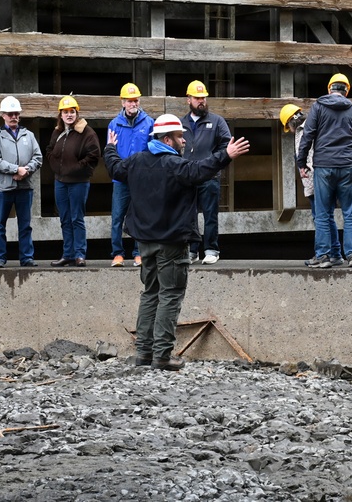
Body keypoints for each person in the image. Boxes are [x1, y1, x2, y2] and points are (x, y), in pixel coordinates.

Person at [104, 114, 250, 371]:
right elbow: (201, 170)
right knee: (170, 295)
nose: (184, 140)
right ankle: (162, 355)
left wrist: (110, 148)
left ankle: (144, 353)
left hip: (145, 242)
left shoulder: (137, 161)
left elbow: (116, 168)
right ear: (168, 139)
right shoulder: (175, 165)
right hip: (172, 242)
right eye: (180, 136)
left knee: (150, 293)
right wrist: (226, 154)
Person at [296, 73, 352, 268]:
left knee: (324, 212)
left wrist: (302, 162)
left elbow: (307, 137)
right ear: (347, 90)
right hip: (347, 166)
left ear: (329, 89)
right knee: (349, 212)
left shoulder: (318, 107)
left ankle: (323, 256)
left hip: (324, 167)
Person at [279, 103, 343, 265]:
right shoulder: (312, 126)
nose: (289, 130)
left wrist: (313, 183)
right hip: (321, 179)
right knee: (327, 217)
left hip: (317, 180)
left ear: (291, 121)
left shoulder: (304, 130)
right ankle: (335, 254)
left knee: (320, 218)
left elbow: (310, 157)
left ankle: (322, 254)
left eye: (287, 126)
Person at [181, 80, 232, 265]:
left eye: (203, 98)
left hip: (209, 176)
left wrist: (213, 161)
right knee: (189, 215)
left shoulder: (217, 121)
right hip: (188, 176)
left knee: (210, 214)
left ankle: (211, 249)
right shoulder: (182, 123)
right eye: (197, 98)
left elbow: (227, 145)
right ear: (189, 100)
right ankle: (192, 251)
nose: (201, 101)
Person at [46, 95, 101, 267]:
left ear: (77, 113)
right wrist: (56, 166)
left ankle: (79, 254)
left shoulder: (87, 133)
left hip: (78, 182)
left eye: (72, 112)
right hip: (60, 182)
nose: (69, 115)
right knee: (65, 218)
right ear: (60, 114)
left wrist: (76, 168)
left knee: (77, 218)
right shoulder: (57, 132)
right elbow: (49, 150)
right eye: (65, 112)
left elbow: (93, 155)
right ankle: (68, 254)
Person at [0, 95, 42, 268]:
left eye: (16, 114)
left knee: (25, 225)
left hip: (25, 187)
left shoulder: (29, 135)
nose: (14, 117)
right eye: (10, 114)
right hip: (4, 188)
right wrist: (15, 170)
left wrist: (26, 171)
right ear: (3, 115)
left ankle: (27, 257)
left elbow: (38, 157)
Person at [107, 83, 154, 267]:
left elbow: (153, 152)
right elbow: (110, 152)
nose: (133, 104)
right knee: (117, 216)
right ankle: (117, 254)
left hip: (141, 179)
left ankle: (138, 253)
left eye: (135, 100)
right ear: (122, 102)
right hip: (120, 179)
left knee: (140, 216)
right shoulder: (114, 124)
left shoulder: (149, 123)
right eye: (129, 101)